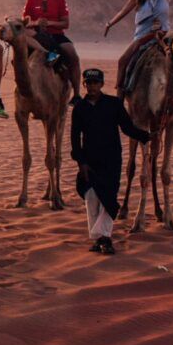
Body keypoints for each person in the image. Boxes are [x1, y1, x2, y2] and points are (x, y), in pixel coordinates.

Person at [70, 68, 150, 255]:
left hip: (111, 159)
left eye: (95, 83)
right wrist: (81, 163)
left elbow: (127, 128)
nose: (92, 86)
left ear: (102, 84)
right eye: (88, 83)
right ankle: (100, 239)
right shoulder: (80, 108)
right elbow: (75, 137)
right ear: (84, 85)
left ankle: (104, 237)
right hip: (89, 160)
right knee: (91, 199)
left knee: (109, 199)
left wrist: (146, 136)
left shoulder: (114, 104)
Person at [23, 0, 83, 105]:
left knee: (73, 56)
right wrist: (36, 23)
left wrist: (49, 22)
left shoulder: (60, 0)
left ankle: (77, 94)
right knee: (21, 46)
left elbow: (65, 23)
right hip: (37, 36)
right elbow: (24, 23)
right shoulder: (31, 1)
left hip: (56, 35)